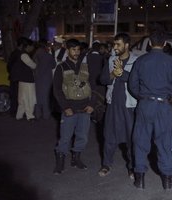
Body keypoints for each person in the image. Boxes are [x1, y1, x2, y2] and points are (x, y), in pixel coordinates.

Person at [128, 31, 172, 190]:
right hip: (164, 107)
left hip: (145, 105)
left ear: (150, 43)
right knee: (165, 142)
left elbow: (132, 85)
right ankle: (167, 181)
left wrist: (143, 97)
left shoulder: (141, 60)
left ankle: (139, 180)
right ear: (165, 43)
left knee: (140, 141)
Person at [52, 38, 97, 175]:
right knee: (65, 137)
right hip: (69, 109)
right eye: (73, 50)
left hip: (85, 108)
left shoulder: (86, 67)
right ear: (67, 50)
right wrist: (65, 107)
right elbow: (57, 90)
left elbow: (93, 87)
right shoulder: (61, 67)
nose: (76, 52)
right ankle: (60, 163)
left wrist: (91, 104)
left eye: (78, 50)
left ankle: (76, 159)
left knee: (82, 136)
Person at [98, 33, 138, 179]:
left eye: (118, 44)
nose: (114, 47)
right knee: (109, 136)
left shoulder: (136, 61)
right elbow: (102, 79)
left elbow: (138, 80)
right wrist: (113, 74)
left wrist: (122, 73)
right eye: (114, 44)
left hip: (129, 105)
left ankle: (132, 167)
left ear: (126, 45)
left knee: (131, 138)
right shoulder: (111, 60)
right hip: (112, 104)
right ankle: (106, 164)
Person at [33, 39, 56, 120]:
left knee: (38, 97)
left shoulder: (35, 55)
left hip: (37, 78)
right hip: (47, 79)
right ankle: (46, 115)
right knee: (46, 97)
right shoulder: (48, 56)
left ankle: (37, 114)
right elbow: (53, 65)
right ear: (45, 46)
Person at [15, 38, 37, 121]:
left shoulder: (20, 53)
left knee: (22, 99)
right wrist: (36, 64)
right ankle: (30, 116)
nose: (33, 48)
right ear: (27, 46)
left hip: (23, 80)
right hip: (27, 80)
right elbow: (33, 65)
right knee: (29, 99)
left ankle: (19, 115)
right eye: (32, 46)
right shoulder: (24, 55)